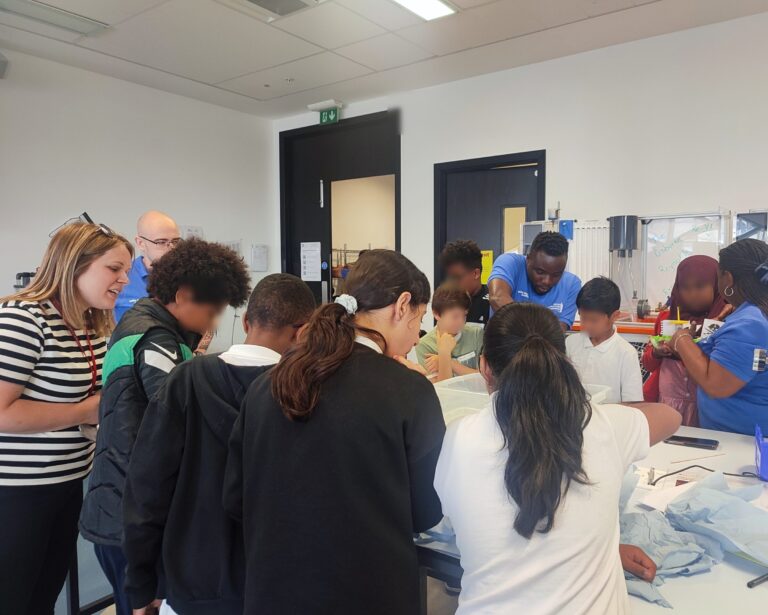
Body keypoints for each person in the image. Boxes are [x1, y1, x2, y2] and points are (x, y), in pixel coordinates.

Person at [224, 250, 446, 615]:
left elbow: (236, 497)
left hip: (274, 590)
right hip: (368, 593)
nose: (416, 335)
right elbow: (425, 512)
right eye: (419, 319)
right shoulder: (409, 391)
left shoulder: (269, 384)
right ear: (402, 305)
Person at [435, 303, 681, 614]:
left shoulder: (459, 438)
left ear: (484, 368)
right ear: (563, 363)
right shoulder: (603, 425)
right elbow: (670, 417)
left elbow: (494, 533)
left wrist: (596, 546)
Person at [123, 274, 315, 615]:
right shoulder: (307, 394)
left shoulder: (185, 380)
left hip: (193, 576)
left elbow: (147, 486)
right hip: (281, 578)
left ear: (244, 321)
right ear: (303, 333)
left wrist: (141, 580)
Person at [79, 238, 250, 615]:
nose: (214, 321)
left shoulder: (157, 331)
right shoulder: (155, 340)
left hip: (131, 509)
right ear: (184, 294)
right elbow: (181, 420)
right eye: (213, 310)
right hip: (130, 515)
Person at [0, 223, 133, 615]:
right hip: (18, 492)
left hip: (67, 482)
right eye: (114, 269)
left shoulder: (90, 324)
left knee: (43, 595)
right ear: (76, 265)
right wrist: (85, 411)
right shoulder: (23, 319)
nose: (125, 279)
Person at [668, 239, 768, 435]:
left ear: (727, 278)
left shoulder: (749, 323)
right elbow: (749, 362)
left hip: (740, 438)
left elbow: (716, 384)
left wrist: (681, 338)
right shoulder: (752, 314)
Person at [642, 255, 728, 426]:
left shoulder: (725, 320)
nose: (692, 293)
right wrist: (657, 353)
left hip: (707, 405)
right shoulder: (666, 318)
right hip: (668, 401)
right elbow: (648, 364)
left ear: (716, 285)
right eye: (684, 287)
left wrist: (689, 344)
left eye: (700, 286)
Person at [566, 277, 644, 404]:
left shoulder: (626, 354)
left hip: (610, 419)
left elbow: (632, 403)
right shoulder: (570, 343)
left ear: (614, 316)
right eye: (583, 317)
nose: (587, 325)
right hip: (577, 417)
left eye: (594, 320)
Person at [487, 231, 581, 330]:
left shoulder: (572, 284)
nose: (547, 281)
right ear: (528, 259)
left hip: (544, 345)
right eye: (540, 272)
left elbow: (560, 329)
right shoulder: (510, 262)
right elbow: (497, 298)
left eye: (556, 275)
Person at [114, 211, 181, 322]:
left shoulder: (186, 277)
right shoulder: (122, 277)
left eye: (175, 241)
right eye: (161, 242)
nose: (171, 248)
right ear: (140, 243)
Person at [415, 282, 483, 382]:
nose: (461, 321)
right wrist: (444, 353)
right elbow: (440, 389)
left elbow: (485, 379)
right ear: (436, 314)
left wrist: (448, 362)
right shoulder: (424, 345)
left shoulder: (476, 334)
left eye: (464, 315)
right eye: (455, 316)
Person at [439, 239, 490, 325]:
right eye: (450, 277)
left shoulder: (491, 303)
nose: (453, 283)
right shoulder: (448, 302)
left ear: (475, 273)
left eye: (457, 277)